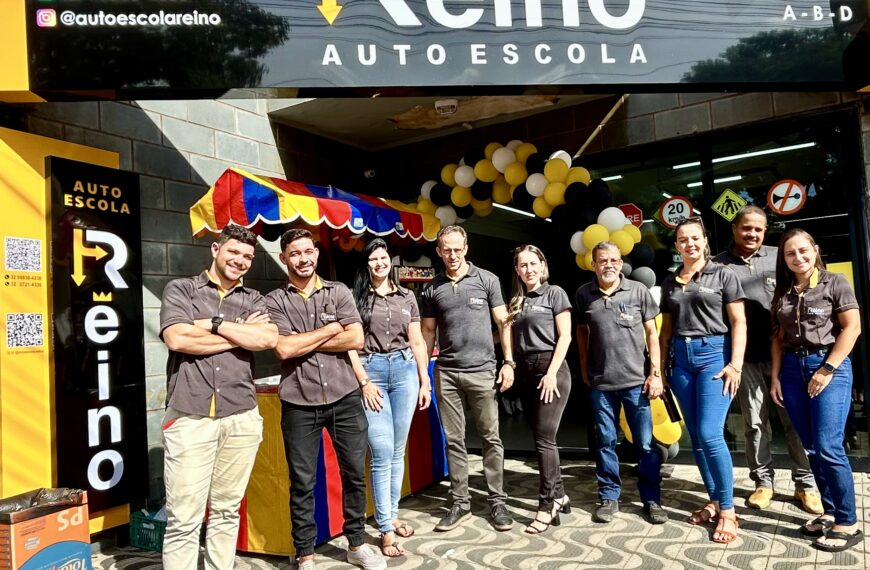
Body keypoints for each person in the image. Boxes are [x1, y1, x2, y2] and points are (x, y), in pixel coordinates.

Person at [159, 224, 278, 570]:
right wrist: (241, 332)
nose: (240, 261)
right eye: (234, 252)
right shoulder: (181, 289)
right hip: (190, 415)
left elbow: (267, 339)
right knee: (184, 517)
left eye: (247, 257)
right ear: (215, 249)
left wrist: (210, 324)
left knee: (227, 510)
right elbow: (179, 339)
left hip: (240, 415)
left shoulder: (254, 299)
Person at [265, 229, 385, 570]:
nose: (304, 259)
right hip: (299, 403)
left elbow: (357, 337)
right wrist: (333, 330)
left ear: (316, 254)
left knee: (353, 474)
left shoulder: (339, 291)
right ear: (283, 258)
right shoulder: (274, 300)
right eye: (295, 253)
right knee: (303, 481)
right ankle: (305, 553)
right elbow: (284, 348)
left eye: (308, 251)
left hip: (345, 396)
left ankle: (357, 544)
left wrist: (307, 339)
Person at [713, 206, 821, 513]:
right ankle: (763, 482)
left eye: (759, 229)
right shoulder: (717, 265)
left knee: (795, 422)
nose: (752, 234)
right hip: (744, 359)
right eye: (746, 228)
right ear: (735, 228)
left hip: (784, 356)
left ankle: (805, 484)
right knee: (755, 423)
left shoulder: (780, 257)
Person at [770, 229, 862, 552]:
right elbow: (778, 337)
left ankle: (848, 522)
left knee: (828, 446)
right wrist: (776, 377)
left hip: (828, 365)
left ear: (815, 249)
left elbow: (852, 327)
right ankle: (831, 511)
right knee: (810, 447)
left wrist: (827, 369)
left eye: (803, 251)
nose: (798, 258)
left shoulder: (835, 282)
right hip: (793, 372)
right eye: (790, 253)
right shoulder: (783, 291)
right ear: (784, 259)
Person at [421, 225, 515, 532]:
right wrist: (424, 372)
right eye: (446, 249)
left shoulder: (487, 280)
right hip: (447, 372)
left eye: (457, 248)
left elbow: (504, 323)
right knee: (455, 440)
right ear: (438, 251)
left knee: (491, 438)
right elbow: (427, 332)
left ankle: (497, 502)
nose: (452, 254)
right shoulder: (432, 288)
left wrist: (509, 362)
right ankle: (460, 502)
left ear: (466, 248)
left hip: (483, 371)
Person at [659, 217, 746, 544]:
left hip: (714, 356)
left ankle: (727, 510)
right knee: (696, 435)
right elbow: (666, 331)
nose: (689, 244)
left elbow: (739, 322)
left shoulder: (724, 274)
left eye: (695, 238)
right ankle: (712, 499)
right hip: (681, 360)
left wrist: (735, 365)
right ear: (677, 244)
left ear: (705, 240)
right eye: (683, 239)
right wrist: (662, 369)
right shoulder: (670, 282)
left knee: (711, 433)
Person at [348, 238, 432, 557]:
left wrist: (425, 382)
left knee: (397, 450)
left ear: (391, 262)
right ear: (366, 264)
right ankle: (385, 528)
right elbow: (349, 346)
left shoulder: (407, 296)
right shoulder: (355, 297)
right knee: (382, 449)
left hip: (405, 372)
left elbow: (418, 342)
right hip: (372, 372)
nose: (379, 263)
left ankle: (391, 515)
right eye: (373, 259)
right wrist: (365, 382)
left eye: (384, 258)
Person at [576, 241, 666, 526]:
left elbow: (652, 333)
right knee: (605, 441)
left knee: (644, 443)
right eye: (602, 261)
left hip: (636, 382)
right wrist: (583, 368)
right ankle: (609, 496)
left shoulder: (638, 291)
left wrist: (655, 373)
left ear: (621, 262)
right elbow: (581, 333)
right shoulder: (583, 294)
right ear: (593, 264)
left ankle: (651, 499)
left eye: (614, 260)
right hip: (601, 384)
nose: (609, 265)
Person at [507, 245, 573, 534]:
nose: (528, 270)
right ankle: (560, 493)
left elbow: (566, 336)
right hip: (525, 369)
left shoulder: (554, 293)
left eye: (533, 264)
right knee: (540, 437)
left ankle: (547, 505)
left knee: (545, 439)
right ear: (517, 270)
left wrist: (550, 373)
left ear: (542, 265)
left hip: (551, 368)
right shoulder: (516, 301)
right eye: (523, 265)